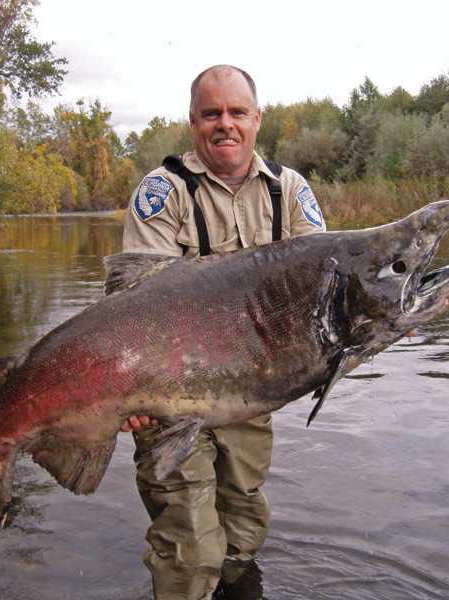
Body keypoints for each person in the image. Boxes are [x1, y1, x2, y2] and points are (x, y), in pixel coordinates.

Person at [120, 64, 326, 600]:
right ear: (193, 122)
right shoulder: (162, 192)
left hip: (251, 394)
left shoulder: (290, 190)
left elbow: (326, 285)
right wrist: (130, 392)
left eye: (237, 112)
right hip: (167, 399)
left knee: (242, 530)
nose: (225, 124)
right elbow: (132, 310)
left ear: (258, 119)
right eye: (212, 113)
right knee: (188, 545)